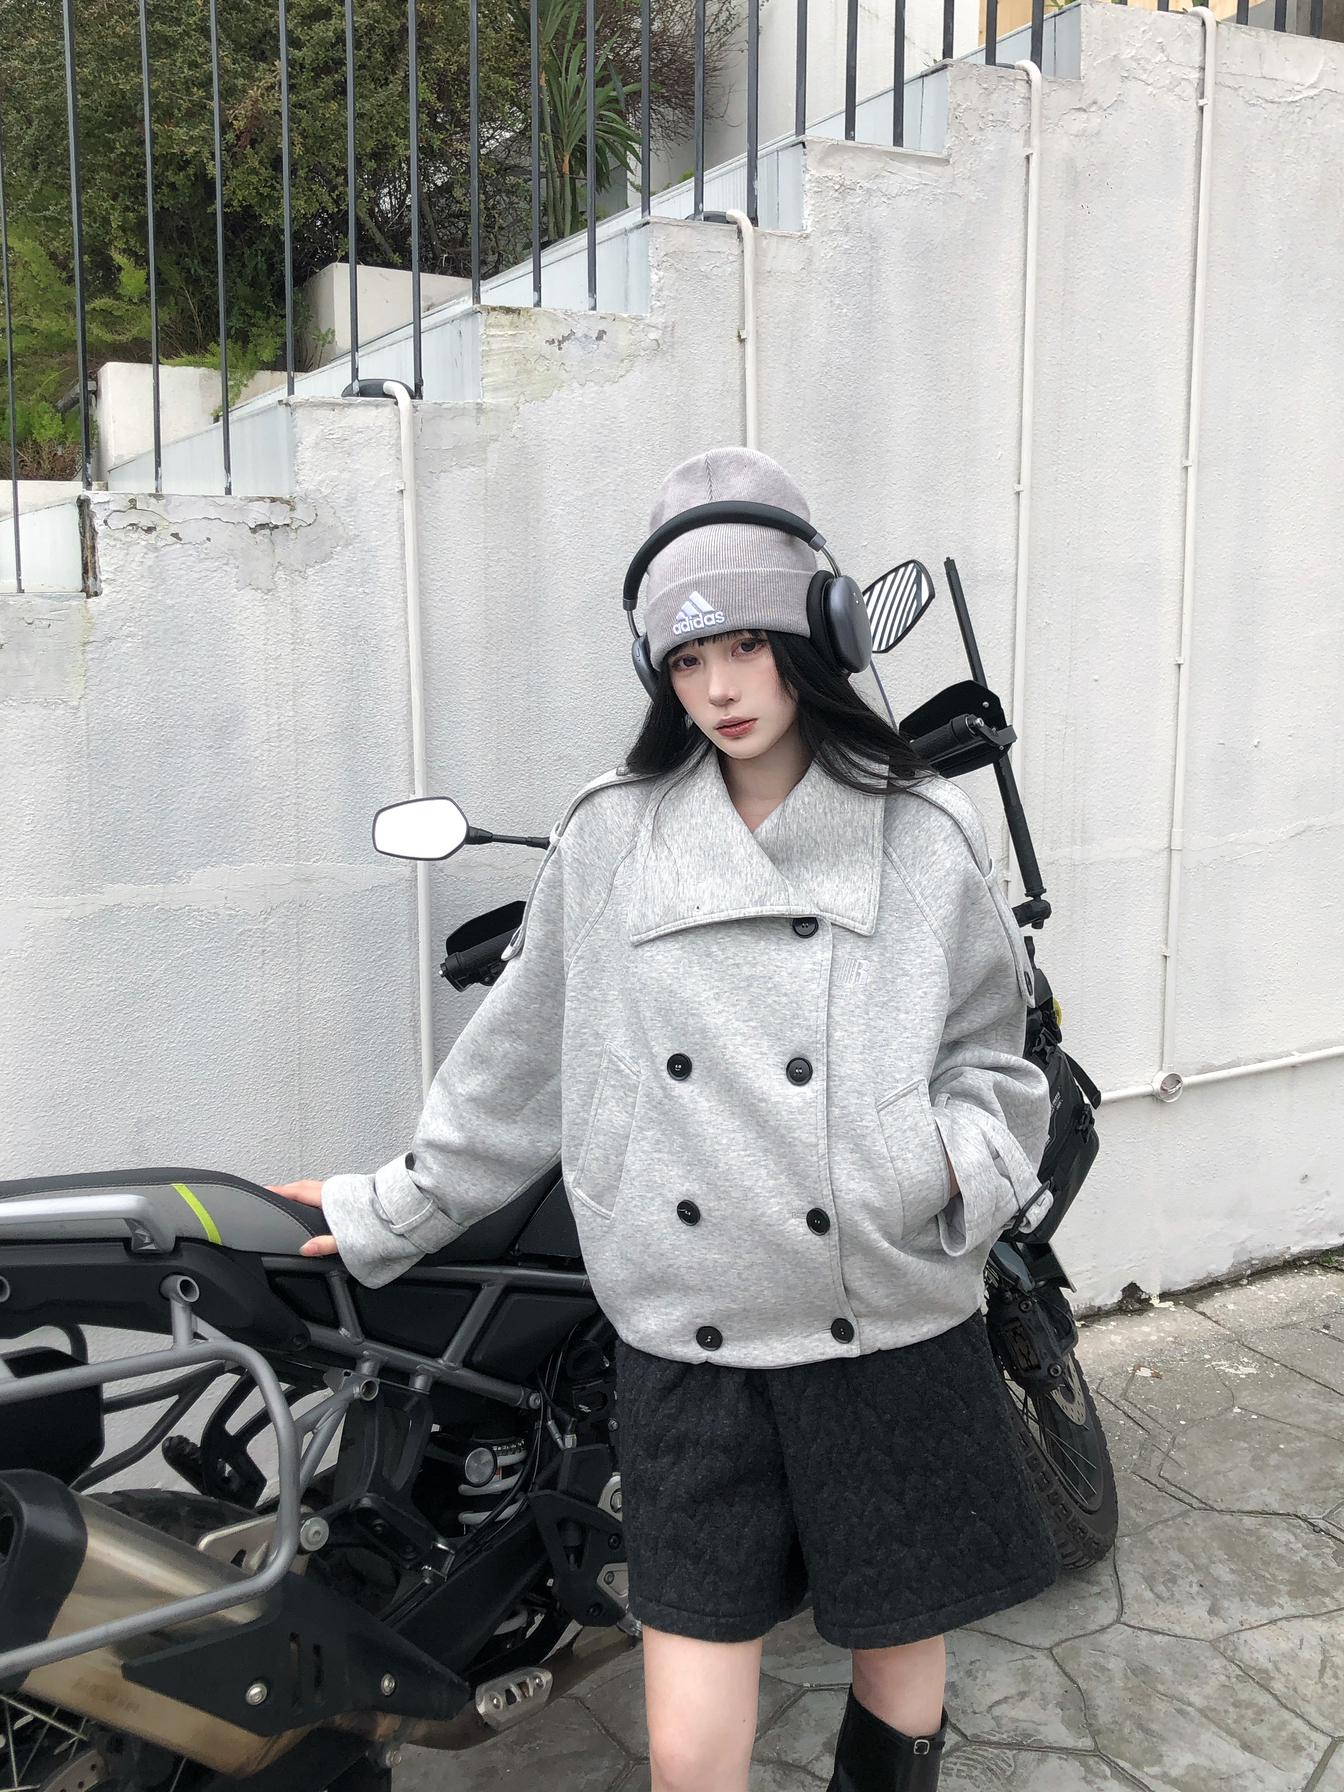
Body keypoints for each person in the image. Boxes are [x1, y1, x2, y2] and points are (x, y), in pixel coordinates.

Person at [275, 447, 1059, 1792]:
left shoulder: (922, 831)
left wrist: (940, 1172)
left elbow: (995, 1053)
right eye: (688, 661)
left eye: (746, 646)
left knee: (897, 1669)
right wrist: (388, 1207)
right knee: (693, 1747)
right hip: (690, 1339)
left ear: (814, 640)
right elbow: (515, 1066)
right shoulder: (611, 835)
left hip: (886, 1315)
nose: (720, 689)